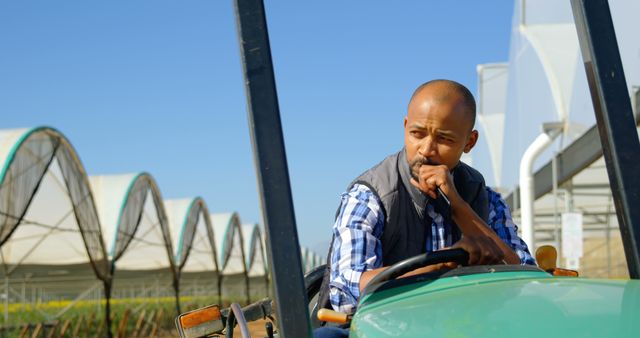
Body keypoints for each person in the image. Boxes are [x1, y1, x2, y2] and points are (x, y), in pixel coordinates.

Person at [314, 79, 535, 338]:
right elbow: (347, 292)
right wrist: (441, 262)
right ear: (406, 127)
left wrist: (459, 206)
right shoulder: (371, 195)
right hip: (384, 329)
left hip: (466, 327)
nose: (427, 149)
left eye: (444, 139)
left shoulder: (486, 199)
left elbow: (525, 279)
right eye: (417, 134)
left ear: (469, 142)